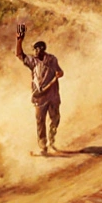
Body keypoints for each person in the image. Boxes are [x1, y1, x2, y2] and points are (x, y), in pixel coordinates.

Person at [15, 24, 64, 155]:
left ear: (41, 48)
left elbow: (60, 71)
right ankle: (43, 145)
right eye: (34, 49)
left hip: (53, 96)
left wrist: (59, 74)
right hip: (39, 97)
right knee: (40, 121)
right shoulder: (33, 61)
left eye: (36, 49)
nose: (35, 51)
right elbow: (19, 55)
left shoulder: (52, 59)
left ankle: (52, 138)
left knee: (55, 118)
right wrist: (19, 40)